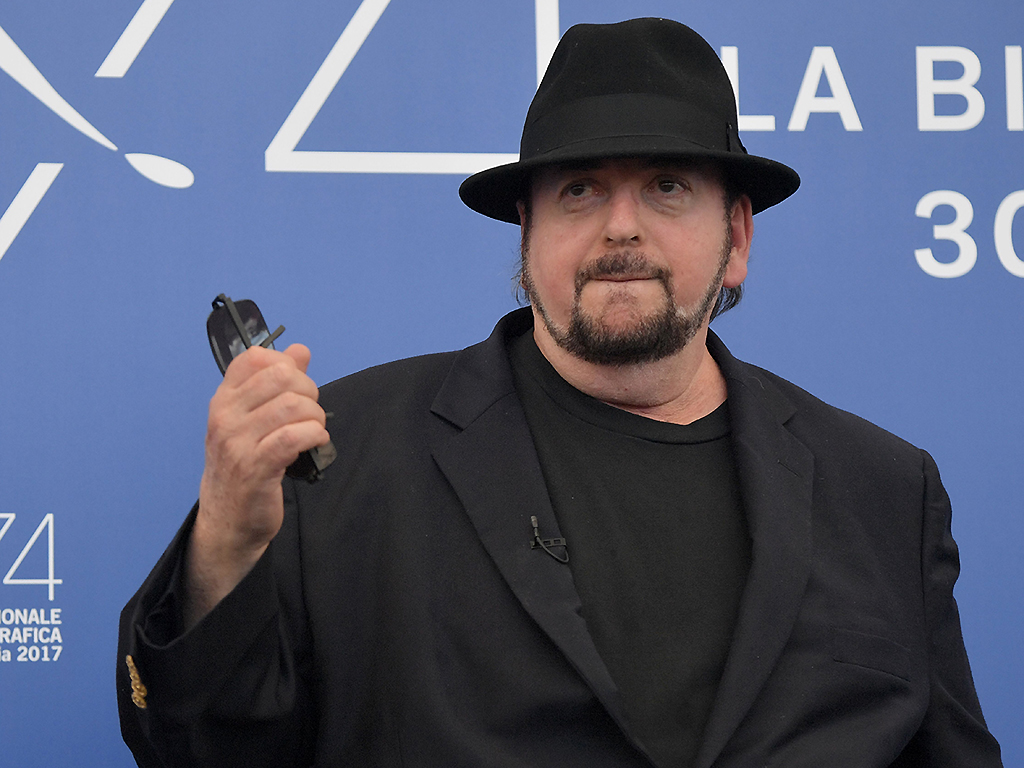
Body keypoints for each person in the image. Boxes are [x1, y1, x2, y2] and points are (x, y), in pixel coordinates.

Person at [117, 17, 1002, 768]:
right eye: (581, 189)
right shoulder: (337, 461)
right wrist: (226, 545)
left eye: (667, 187)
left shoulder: (884, 490)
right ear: (526, 233)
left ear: (736, 237)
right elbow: (197, 748)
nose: (622, 226)